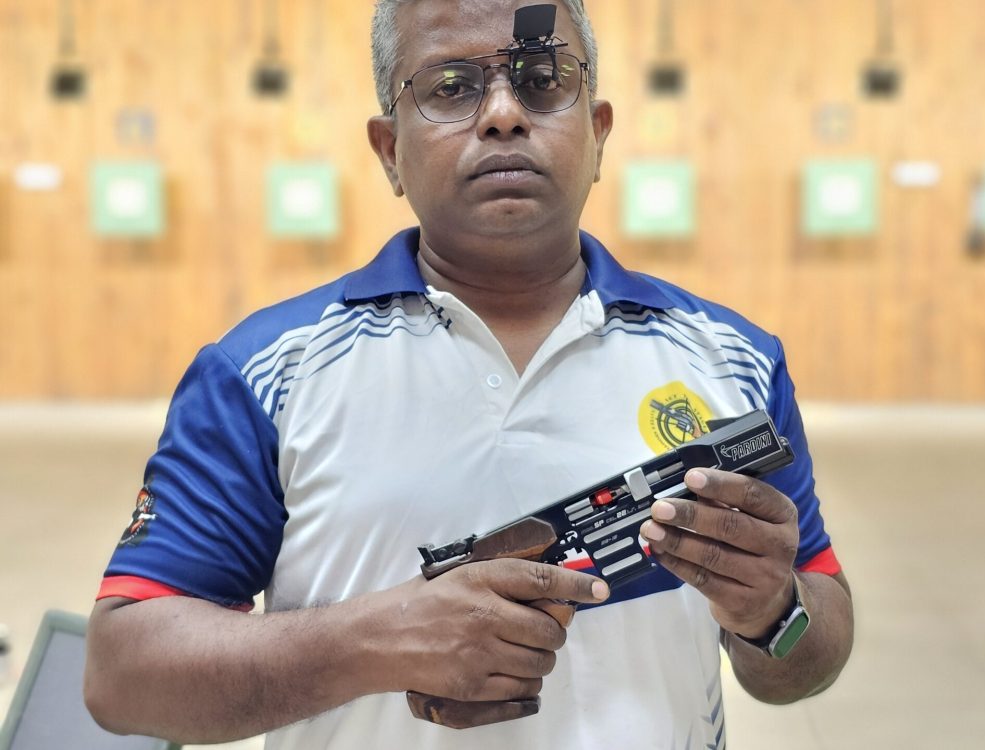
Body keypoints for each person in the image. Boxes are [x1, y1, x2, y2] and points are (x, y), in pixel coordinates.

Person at [84, 0, 854, 747]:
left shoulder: (734, 360)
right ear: (390, 151)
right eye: (451, 86)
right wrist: (371, 642)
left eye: (543, 76)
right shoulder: (263, 373)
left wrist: (774, 612)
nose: (503, 113)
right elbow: (124, 676)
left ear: (598, 131)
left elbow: (806, 656)